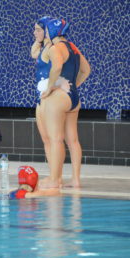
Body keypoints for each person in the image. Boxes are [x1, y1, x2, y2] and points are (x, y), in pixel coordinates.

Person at [39, 18, 91, 189]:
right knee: (73, 140)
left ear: (52, 32)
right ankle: (76, 180)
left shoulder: (55, 48)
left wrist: (50, 87)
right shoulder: (73, 47)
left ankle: (55, 179)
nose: (45, 33)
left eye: (46, 30)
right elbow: (86, 70)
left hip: (58, 98)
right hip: (73, 98)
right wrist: (73, 86)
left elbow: (56, 67)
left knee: (55, 139)